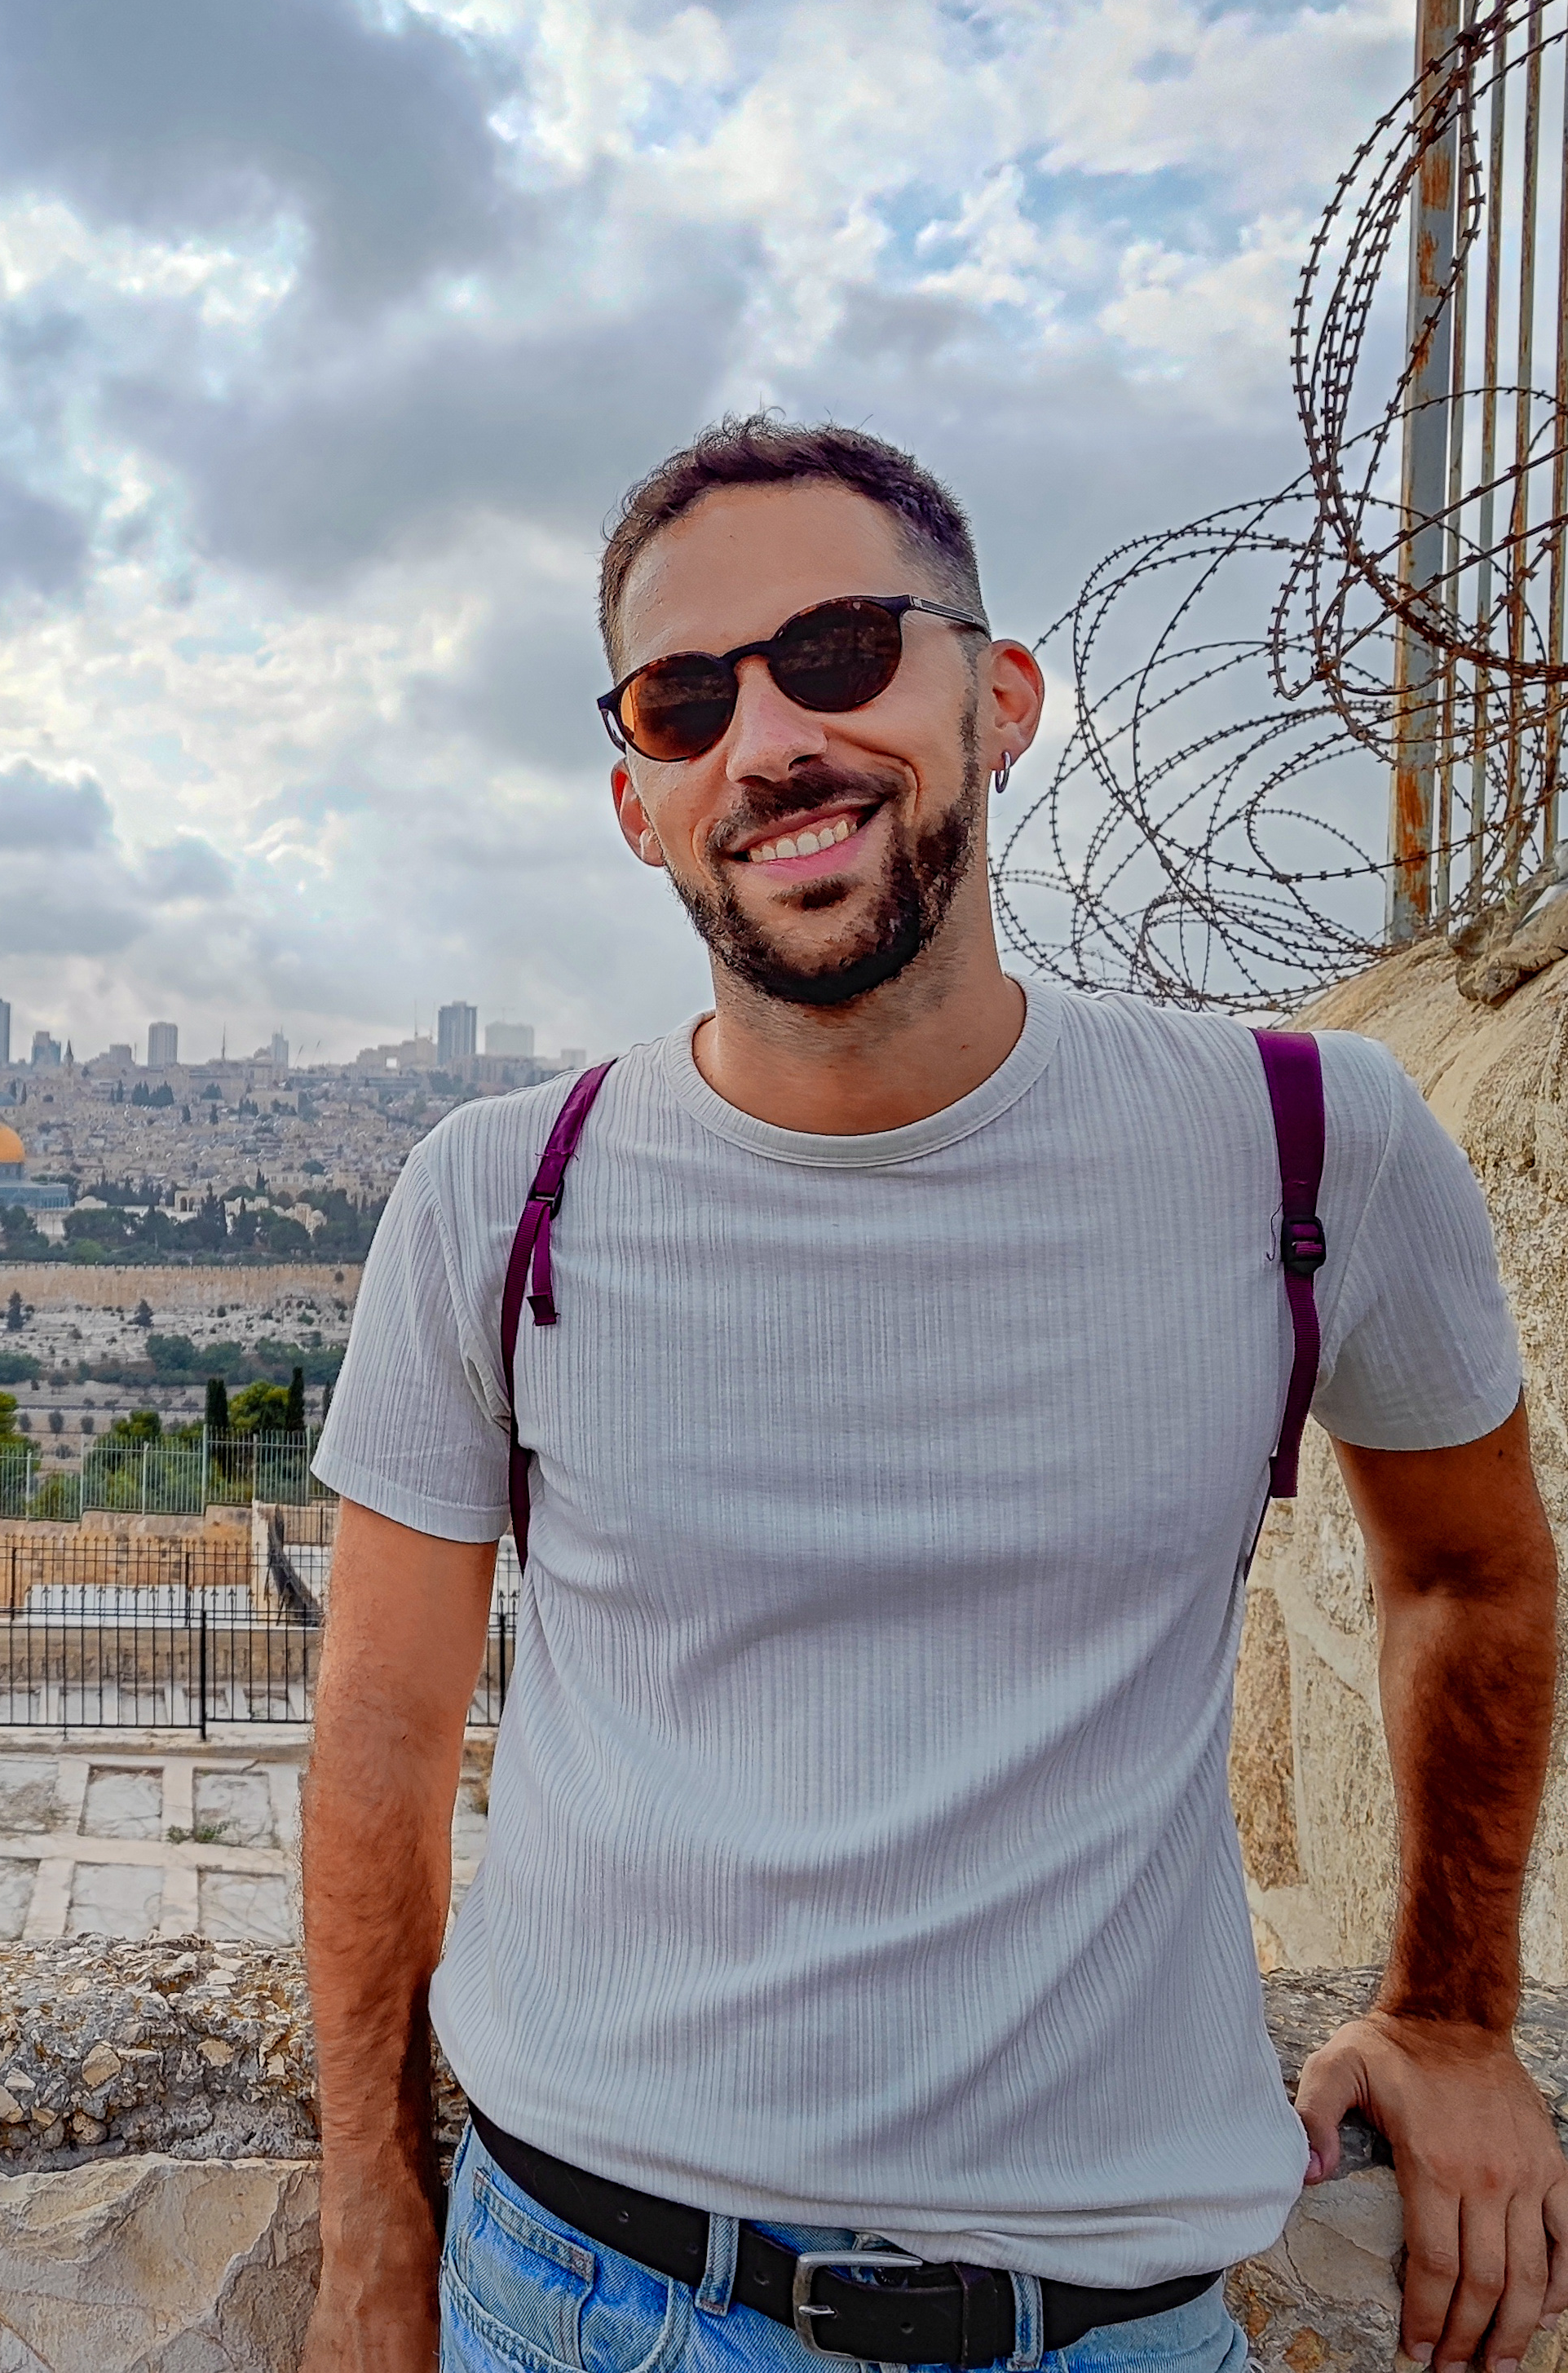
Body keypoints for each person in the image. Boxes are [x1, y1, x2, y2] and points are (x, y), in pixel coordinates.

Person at [300, 417, 1567, 2373]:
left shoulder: (1310, 1150)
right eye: (686, 696)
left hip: (1114, 2322)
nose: (772, 740)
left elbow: (1474, 1575)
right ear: (636, 796)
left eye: (839, 653)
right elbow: (381, 1737)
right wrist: (378, 2230)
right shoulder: (497, 1192)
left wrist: (1459, 2010)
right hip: (582, 2299)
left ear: (1001, 697)